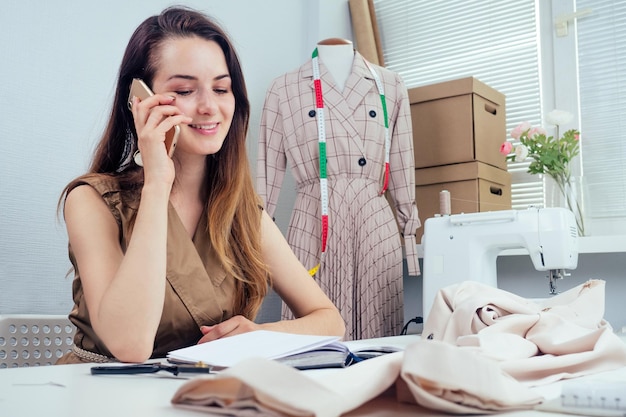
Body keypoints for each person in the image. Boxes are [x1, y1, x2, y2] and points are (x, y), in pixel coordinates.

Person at [56, 7, 345, 364]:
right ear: (140, 100)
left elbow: (330, 321)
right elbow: (130, 345)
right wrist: (158, 182)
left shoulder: (242, 212)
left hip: (199, 395)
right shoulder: (92, 200)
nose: (210, 107)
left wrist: (260, 334)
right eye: (185, 89)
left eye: (221, 88)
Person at [256, 38, 420, 340]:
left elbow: (401, 160)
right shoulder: (284, 88)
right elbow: (266, 170)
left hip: (373, 218)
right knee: (309, 335)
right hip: (312, 219)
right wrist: (254, 243)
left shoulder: (391, 84)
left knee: (378, 336)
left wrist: (408, 229)